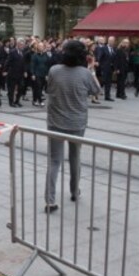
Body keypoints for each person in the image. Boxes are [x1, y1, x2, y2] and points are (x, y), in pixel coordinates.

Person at [44, 40, 100, 214]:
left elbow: (49, 89)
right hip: (77, 123)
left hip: (55, 122)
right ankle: (75, 192)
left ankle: (50, 200)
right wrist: (91, 69)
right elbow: (97, 90)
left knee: (54, 161)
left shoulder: (54, 70)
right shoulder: (85, 73)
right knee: (75, 158)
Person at [5, 39, 26, 107]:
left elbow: (23, 63)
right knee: (11, 88)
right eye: (21, 45)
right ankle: (11, 102)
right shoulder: (13, 52)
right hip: (13, 73)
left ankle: (17, 101)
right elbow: (8, 61)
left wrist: (25, 71)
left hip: (20, 74)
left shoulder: (22, 52)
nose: (22, 46)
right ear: (18, 44)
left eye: (23, 45)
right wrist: (5, 70)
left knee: (21, 87)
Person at [96, 36, 116, 101]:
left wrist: (114, 68)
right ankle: (95, 93)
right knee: (102, 82)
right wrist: (101, 66)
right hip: (104, 68)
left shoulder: (113, 49)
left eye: (112, 41)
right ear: (108, 41)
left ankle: (107, 96)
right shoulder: (103, 48)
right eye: (110, 41)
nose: (111, 42)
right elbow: (99, 58)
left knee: (108, 82)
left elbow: (114, 59)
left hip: (110, 68)